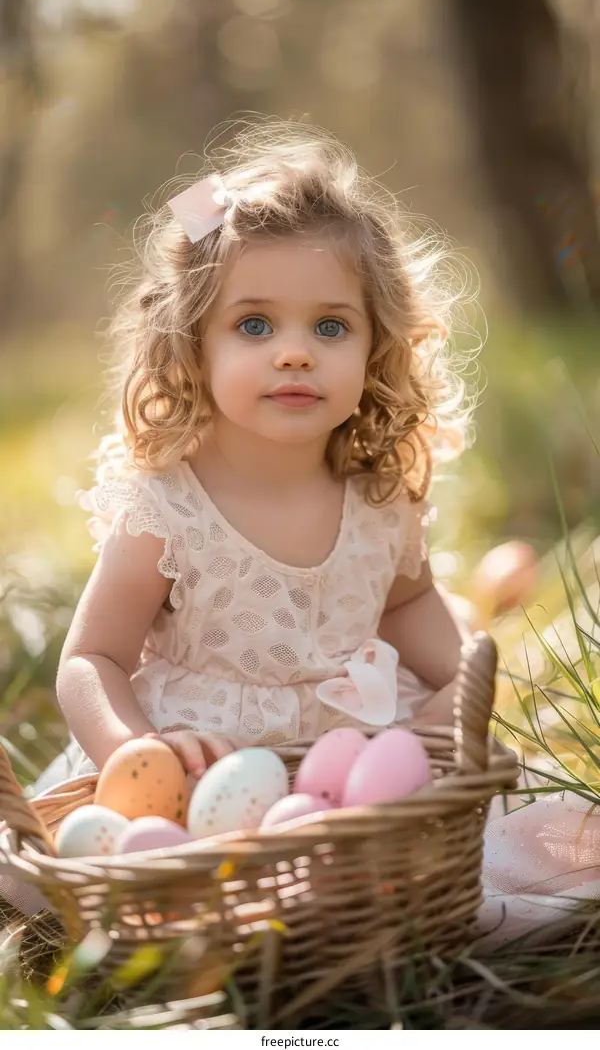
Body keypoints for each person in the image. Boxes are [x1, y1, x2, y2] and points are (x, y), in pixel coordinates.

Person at [38, 119, 475, 792]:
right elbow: (92, 659)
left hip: (347, 773)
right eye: (254, 325)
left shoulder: (379, 499)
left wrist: (463, 684)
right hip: (201, 771)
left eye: (331, 326)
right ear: (193, 345)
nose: (295, 351)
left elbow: (406, 602)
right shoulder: (168, 509)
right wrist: (138, 753)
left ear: (375, 348)